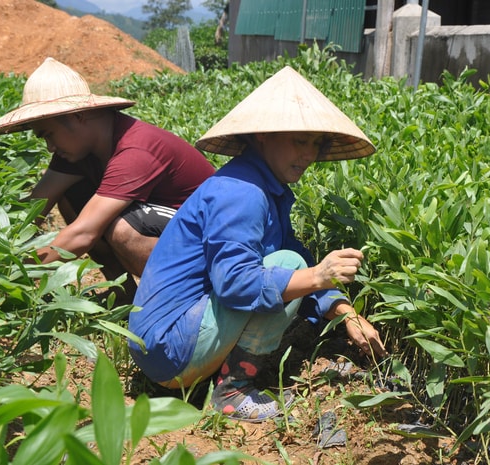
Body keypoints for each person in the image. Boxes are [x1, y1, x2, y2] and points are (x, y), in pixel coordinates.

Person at [128, 66, 388, 422]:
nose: (309, 154)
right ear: (264, 134)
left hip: (164, 348)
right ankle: (231, 391)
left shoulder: (261, 187)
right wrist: (316, 276)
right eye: (300, 140)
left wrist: (346, 314)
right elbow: (236, 282)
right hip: (171, 347)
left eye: (316, 143)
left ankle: (214, 379)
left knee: (292, 261)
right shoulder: (243, 193)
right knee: (292, 267)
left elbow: (296, 254)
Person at [0, 57, 215, 301]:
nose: (50, 147)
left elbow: (83, 234)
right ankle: (123, 293)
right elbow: (35, 207)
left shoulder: (135, 150)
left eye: (49, 134)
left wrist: (10, 274)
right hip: (167, 226)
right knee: (72, 194)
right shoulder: (77, 151)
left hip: (209, 241)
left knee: (121, 226)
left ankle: (176, 301)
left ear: (78, 116)